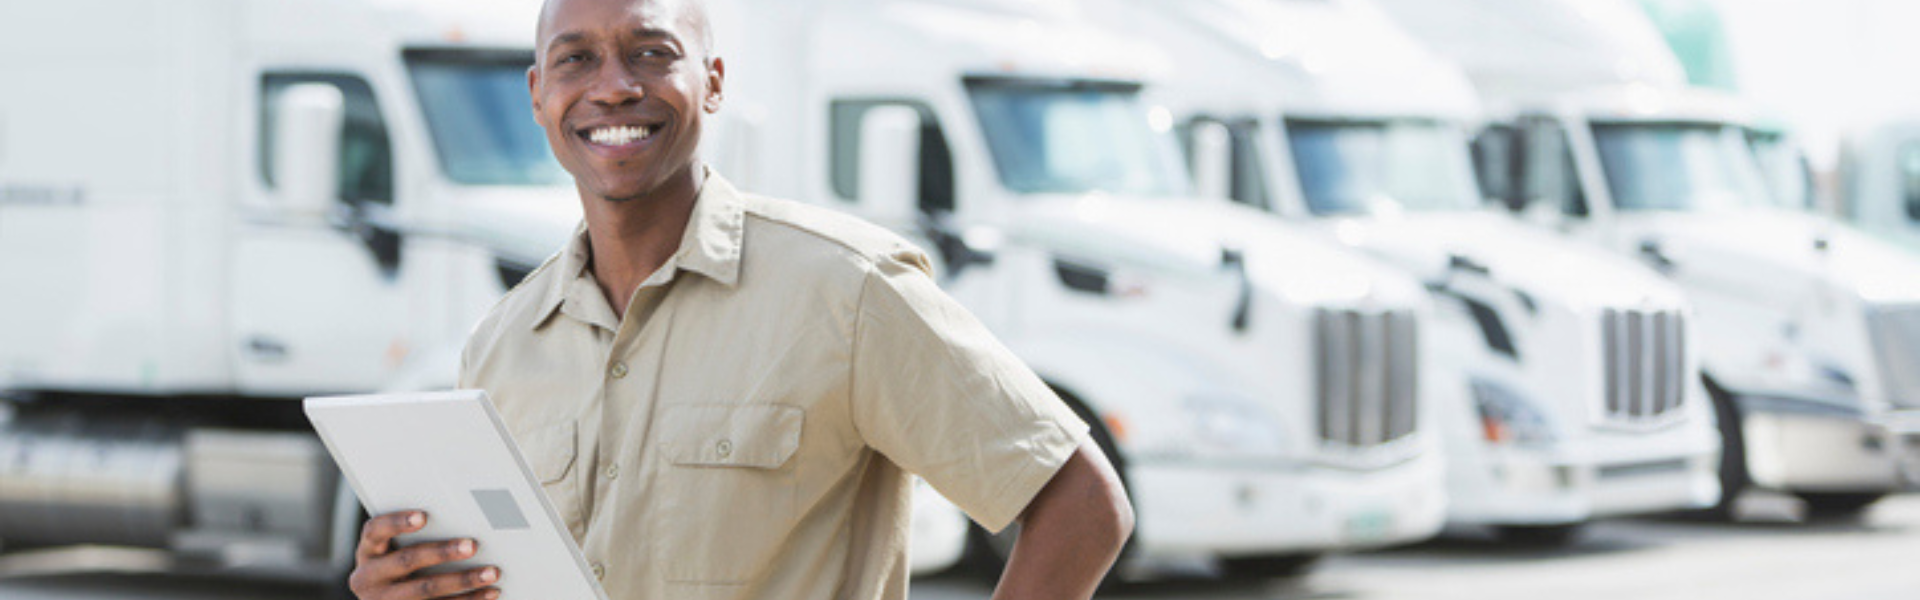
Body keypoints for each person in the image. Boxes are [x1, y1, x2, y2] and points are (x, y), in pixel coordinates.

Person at [343, 0, 1133, 598]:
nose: (613, 88)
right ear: (537, 93)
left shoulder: (846, 289)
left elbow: (1081, 502)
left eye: (651, 53)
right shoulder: (502, 343)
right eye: (575, 60)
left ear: (712, 83)